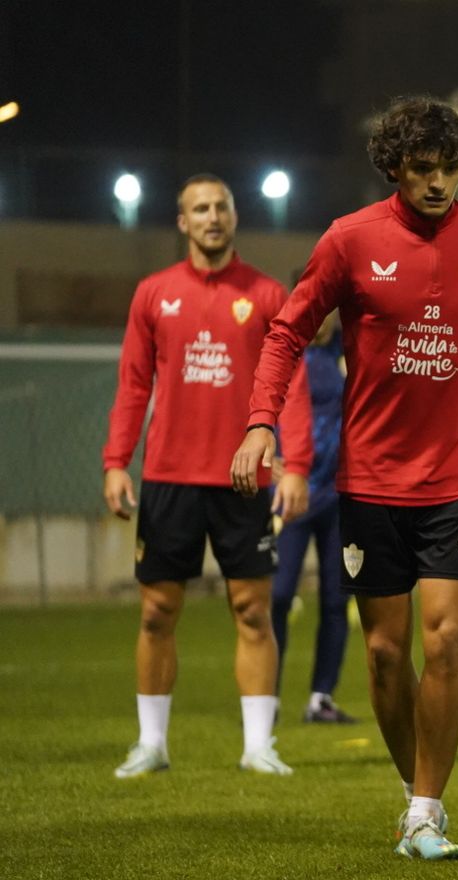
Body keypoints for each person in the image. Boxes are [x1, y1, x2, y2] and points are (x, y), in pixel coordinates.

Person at [231, 96, 458, 860]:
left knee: (448, 638)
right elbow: (288, 331)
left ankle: (427, 809)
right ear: (394, 167)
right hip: (370, 481)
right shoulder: (349, 239)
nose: (438, 183)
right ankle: (413, 794)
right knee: (386, 655)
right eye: (423, 168)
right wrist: (262, 420)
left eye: (450, 168)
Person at [103, 174, 311, 779]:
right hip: (169, 477)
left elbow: (292, 383)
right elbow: (133, 384)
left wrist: (296, 464)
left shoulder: (267, 294)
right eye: (200, 208)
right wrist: (116, 461)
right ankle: (151, 744)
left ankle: (258, 746)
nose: (212, 216)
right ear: (183, 222)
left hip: (245, 478)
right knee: (156, 613)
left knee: (253, 611)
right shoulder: (153, 294)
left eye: (221, 206)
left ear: (235, 216)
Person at [270, 311, 356, 724]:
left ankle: (321, 697)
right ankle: (265, 698)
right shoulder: (283, 352)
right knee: (278, 595)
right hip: (292, 493)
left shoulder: (346, 350)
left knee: (337, 599)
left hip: (340, 494)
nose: (320, 320)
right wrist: (267, 457)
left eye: (328, 312)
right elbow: (257, 405)